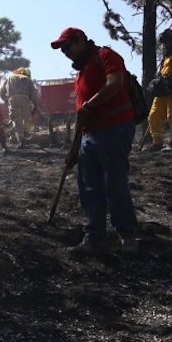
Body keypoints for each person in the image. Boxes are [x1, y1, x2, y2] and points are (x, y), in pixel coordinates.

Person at [50, 27, 138, 255]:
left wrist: (90, 105)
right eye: (62, 50)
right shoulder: (80, 73)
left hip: (114, 127)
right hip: (90, 135)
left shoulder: (105, 56)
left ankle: (127, 236)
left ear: (80, 40)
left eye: (67, 46)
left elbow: (115, 83)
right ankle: (94, 237)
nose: (66, 53)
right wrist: (75, 149)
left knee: (114, 183)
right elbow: (83, 116)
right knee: (89, 186)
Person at [0, 67, 39, 148]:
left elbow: (1, 92)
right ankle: (25, 133)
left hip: (13, 100)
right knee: (26, 119)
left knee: (17, 120)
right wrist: (35, 105)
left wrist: (6, 100)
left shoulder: (10, 78)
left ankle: (21, 140)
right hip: (25, 100)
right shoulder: (28, 79)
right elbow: (34, 93)